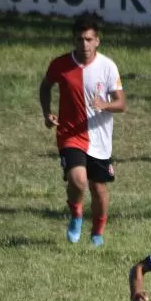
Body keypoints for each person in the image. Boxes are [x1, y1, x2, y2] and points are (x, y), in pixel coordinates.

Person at [39, 14, 126, 246]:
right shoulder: (60, 65)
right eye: (80, 39)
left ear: (97, 40)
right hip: (70, 135)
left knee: (98, 189)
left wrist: (105, 105)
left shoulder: (107, 67)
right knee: (78, 181)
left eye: (89, 39)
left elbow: (121, 102)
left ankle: (97, 232)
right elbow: (46, 86)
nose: (84, 44)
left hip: (100, 138)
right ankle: (76, 214)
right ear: (74, 40)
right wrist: (46, 112)